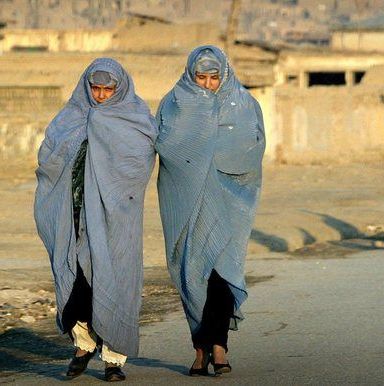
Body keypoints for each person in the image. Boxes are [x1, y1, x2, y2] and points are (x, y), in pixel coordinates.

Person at [34, 58, 157, 382]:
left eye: (108, 89)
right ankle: (83, 345)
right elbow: (49, 156)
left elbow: (140, 162)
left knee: (114, 278)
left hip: (115, 218)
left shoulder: (135, 118)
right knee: (76, 280)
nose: (101, 95)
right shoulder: (70, 116)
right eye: (96, 88)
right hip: (72, 214)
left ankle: (114, 359)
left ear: (120, 88)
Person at [155, 45, 265, 376]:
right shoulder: (174, 104)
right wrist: (194, 160)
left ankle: (218, 349)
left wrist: (217, 160)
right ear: (190, 75)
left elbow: (254, 148)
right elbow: (164, 145)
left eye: (213, 78)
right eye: (200, 77)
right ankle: (201, 349)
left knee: (222, 274)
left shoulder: (244, 104)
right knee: (191, 276)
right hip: (187, 202)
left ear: (224, 76)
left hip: (232, 201)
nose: (206, 84)